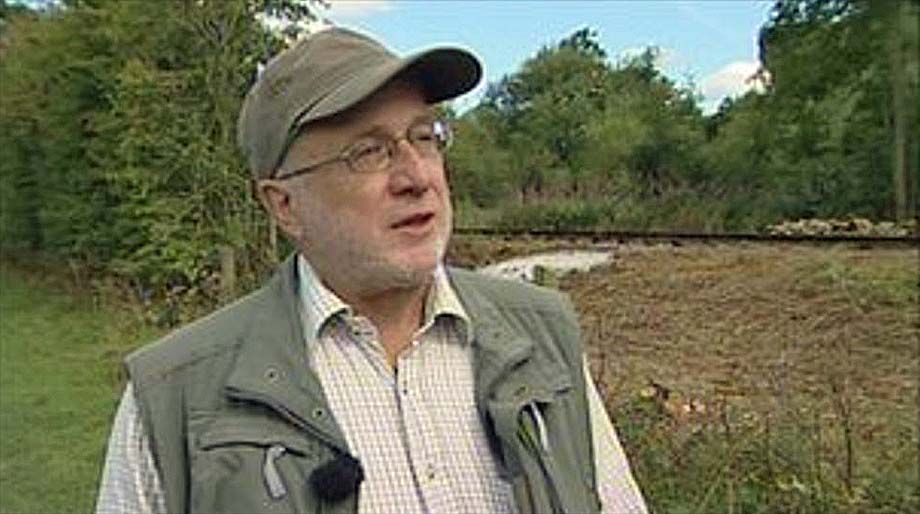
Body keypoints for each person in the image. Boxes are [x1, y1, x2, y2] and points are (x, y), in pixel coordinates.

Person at [95, 26, 647, 514]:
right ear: (283, 204)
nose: (416, 176)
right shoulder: (174, 398)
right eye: (368, 152)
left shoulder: (543, 338)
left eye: (424, 137)